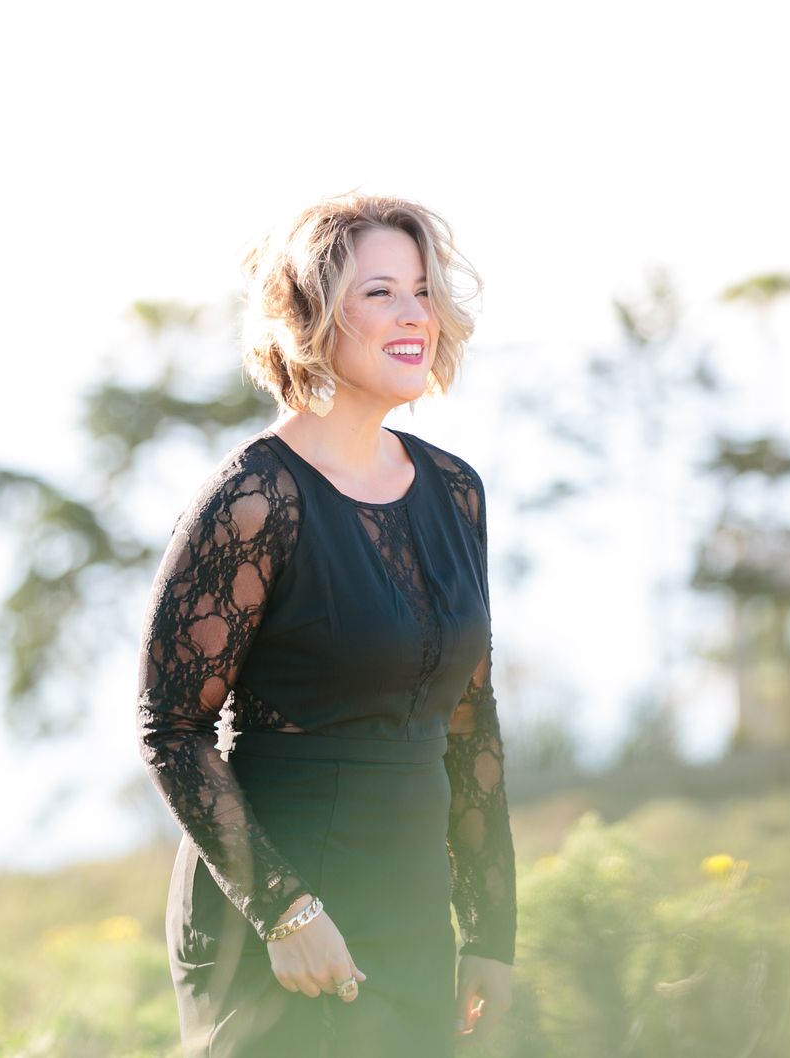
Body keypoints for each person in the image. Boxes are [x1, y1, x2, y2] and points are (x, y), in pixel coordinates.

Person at [135, 191, 517, 1056]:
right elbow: (171, 727)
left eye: (422, 290)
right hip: (278, 919)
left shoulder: (457, 491)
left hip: (412, 909)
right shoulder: (252, 499)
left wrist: (491, 929)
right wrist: (285, 910)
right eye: (380, 292)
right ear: (309, 315)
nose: (415, 314)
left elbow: (470, 721)